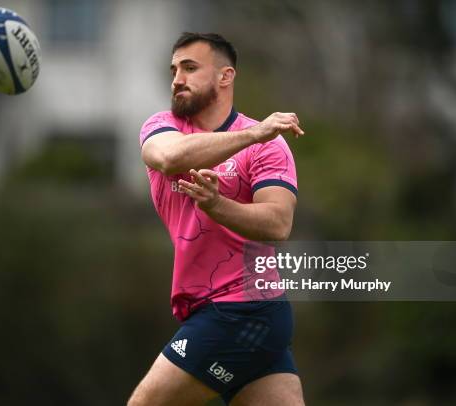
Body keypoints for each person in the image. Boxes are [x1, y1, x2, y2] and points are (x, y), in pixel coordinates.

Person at [129, 32, 306, 406]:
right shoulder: (163, 128)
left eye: (190, 68)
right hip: (228, 314)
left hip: (240, 310)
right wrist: (253, 134)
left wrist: (217, 205)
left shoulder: (270, 144)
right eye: (174, 69)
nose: (177, 78)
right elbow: (170, 159)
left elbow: (278, 224)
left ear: (225, 77)